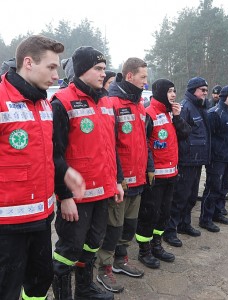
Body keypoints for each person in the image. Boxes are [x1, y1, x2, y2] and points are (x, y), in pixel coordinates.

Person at [51, 46, 121, 300]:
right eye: (98, 69)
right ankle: (63, 296)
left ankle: (84, 288)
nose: (103, 74)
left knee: (92, 244)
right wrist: (64, 195)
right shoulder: (62, 102)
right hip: (76, 198)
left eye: (104, 69)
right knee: (67, 250)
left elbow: (111, 147)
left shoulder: (105, 101)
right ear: (82, 70)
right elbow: (54, 155)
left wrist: (117, 181)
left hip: (103, 191)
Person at [0, 35, 64, 300]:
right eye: (50, 67)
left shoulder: (45, 103)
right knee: (7, 287)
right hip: (7, 224)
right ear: (28, 62)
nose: (56, 75)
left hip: (41, 216)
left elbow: (50, 156)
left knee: (40, 279)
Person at [97, 57, 151, 293]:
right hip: (121, 181)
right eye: (143, 77)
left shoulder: (139, 104)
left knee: (129, 225)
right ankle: (104, 268)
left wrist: (149, 167)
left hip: (138, 178)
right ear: (130, 76)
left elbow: (143, 142)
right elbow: (110, 146)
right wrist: (118, 177)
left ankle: (121, 260)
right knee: (114, 226)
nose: (146, 82)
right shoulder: (112, 103)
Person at [135, 79, 191, 269]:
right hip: (154, 177)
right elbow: (144, 146)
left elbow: (185, 134)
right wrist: (149, 170)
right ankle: (145, 250)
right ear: (159, 92)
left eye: (174, 91)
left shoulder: (170, 114)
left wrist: (177, 117)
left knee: (164, 213)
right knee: (149, 214)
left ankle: (157, 246)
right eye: (169, 91)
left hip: (171, 174)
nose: (173, 95)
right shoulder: (149, 113)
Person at [163, 77, 210, 246]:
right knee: (180, 197)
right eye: (202, 90)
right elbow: (180, 134)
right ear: (192, 90)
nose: (205, 93)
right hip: (186, 160)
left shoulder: (201, 108)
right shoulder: (185, 108)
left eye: (206, 90)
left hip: (197, 160)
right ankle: (170, 230)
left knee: (190, 197)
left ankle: (185, 223)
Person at [200, 85, 228, 232]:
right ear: (225, 97)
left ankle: (218, 213)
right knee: (213, 189)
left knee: (223, 188)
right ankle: (206, 219)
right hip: (217, 159)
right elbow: (208, 138)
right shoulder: (215, 113)